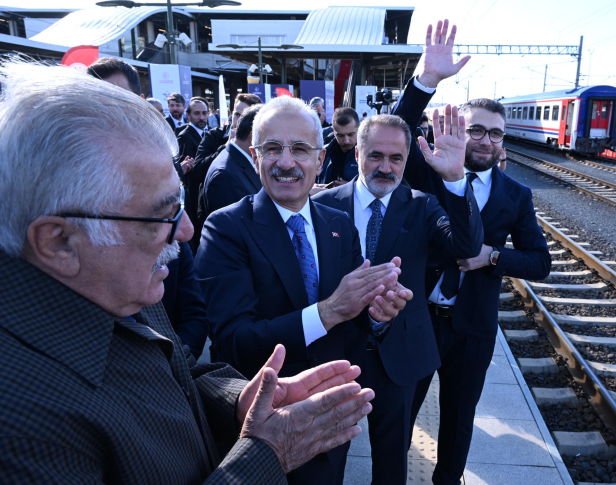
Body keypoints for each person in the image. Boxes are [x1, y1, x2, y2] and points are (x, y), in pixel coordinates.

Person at [0, 60, 376, 484]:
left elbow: (176, 370)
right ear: (59, 242)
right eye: (161, 214)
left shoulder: (127, 280)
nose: (185, 230)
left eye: (179, 204)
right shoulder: (20, 421)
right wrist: (268, 455)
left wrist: (237, 398)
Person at [194, 96, 413, 485]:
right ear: (254, 155)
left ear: (320, 157)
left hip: (333, 412)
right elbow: (233, 341)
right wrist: (328, 311)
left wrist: (377, 314)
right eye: (273, 148)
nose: (286, 162)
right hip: (265, 428)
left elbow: (354, 315)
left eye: (299, 149)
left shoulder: (338, 223)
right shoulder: (226, 228)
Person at [391, 20, 551, 485]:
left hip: (473, 328)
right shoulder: (428, 170)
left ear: (504, 142)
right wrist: (426, 81)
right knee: (401, 416)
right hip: (417, 317)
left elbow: (539, 262)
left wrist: (492, 257)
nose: (485, 140)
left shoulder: (516, 195)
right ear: (459, 127)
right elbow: (397, 128)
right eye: (476, 130)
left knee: (458, 423)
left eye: (495, 134)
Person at [312, 112, 483, 484]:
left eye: (396, 158)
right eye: (375, 155)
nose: (385, 167)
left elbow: (466, 246)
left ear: (408, 159)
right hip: (335, 356)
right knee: (326, 459)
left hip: (401, 358)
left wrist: (455, 178)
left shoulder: (423, 206)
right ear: (356, 153)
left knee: (392, 463)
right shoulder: (324, 205)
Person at [200, 104, 263, 221]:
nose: (274, 146)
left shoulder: (238, 161)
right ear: (253, 137)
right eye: (271, 139)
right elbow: (235, 231)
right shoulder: (225, 176)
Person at [177, 96, 210, 252]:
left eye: (204, 113)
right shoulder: (185, 137)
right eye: (197, 113)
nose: (201, 117)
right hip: (193, 196)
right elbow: (192, 170)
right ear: (188, 115)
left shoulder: (208, 134)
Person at [314, 107, 360, 191]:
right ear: (333, 131)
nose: (346, 141)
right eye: (340, 136)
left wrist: (354, 188)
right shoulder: (324, 153)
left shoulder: (368, 155)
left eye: (351, 134)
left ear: (358, 129)